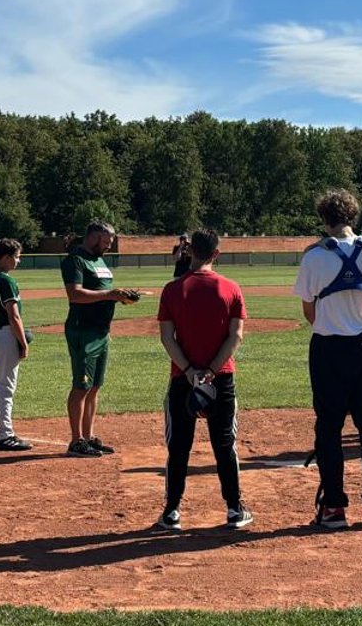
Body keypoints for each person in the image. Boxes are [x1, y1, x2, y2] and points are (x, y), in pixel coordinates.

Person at [293, 189, 362, 529]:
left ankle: (334, 506)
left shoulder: (313, 257)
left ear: (324, 218)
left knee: (329, 428)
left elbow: (309, 309)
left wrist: (332, 324)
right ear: (353, 215)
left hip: (329, 347)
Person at [153, 230, 251, 532]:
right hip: (221, 378)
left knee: (179, 446)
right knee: (224, 444)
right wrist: (210, 370)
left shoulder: (172, 289)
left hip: (182, 379)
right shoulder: (231, 288)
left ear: (189, 252)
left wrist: (189, 370)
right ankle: (235, 509)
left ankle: (171, 512)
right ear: (216, 254)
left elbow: (167, 338)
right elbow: (235, 336)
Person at [60, 221, 140, 458]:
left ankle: (88, 436)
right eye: (106, 242)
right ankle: (76, 441)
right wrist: (110, 294)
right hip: (82, 330)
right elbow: (75, 294)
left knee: (94, 387)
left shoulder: (99, 260)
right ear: (94, 237)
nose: (109, 246)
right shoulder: (75, 260)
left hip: (101, 331)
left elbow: (104, 291)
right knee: (81, 386)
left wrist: (121, 297)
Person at [0, 238, 32, 451]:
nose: (18, 261)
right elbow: (14, 316)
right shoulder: (6, 280)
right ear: (6, 257)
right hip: (5, 336)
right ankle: (5, 434)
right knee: (6, 387)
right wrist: (23, 342)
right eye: (16, 256)